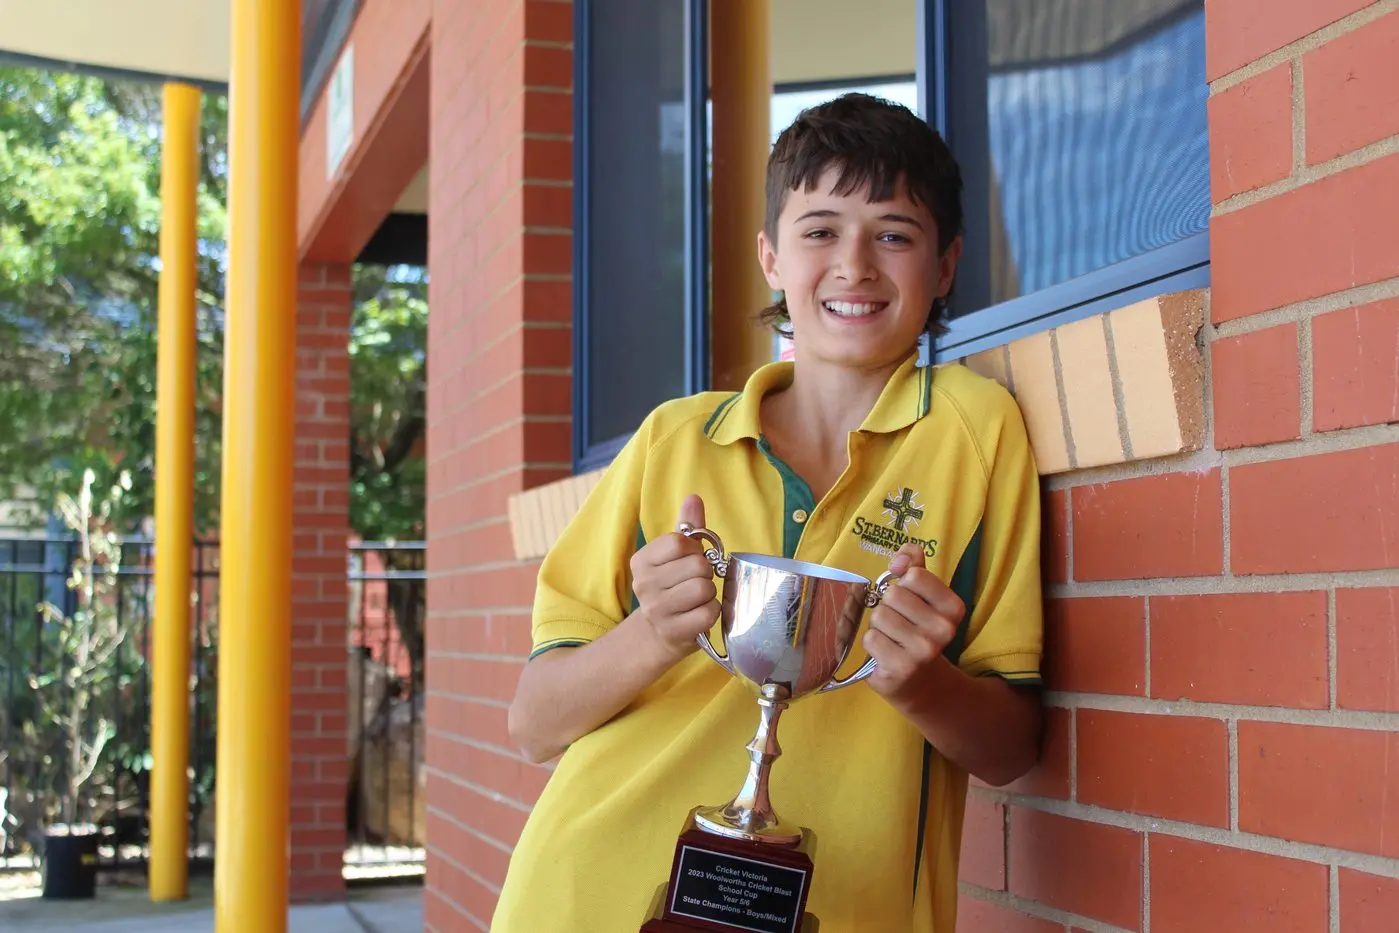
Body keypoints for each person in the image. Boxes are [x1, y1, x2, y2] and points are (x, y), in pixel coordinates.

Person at [491, 92, 1045, 932]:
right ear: (770, 258)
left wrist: (922, 682)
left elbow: (1010, 749)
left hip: (847, 906)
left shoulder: (975, 432)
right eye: (819, 230)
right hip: (587, 892)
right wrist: (654, 631)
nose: (854, 263)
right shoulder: (672, 439)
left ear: (944, 265)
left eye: (893, 233)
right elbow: (535, 725)